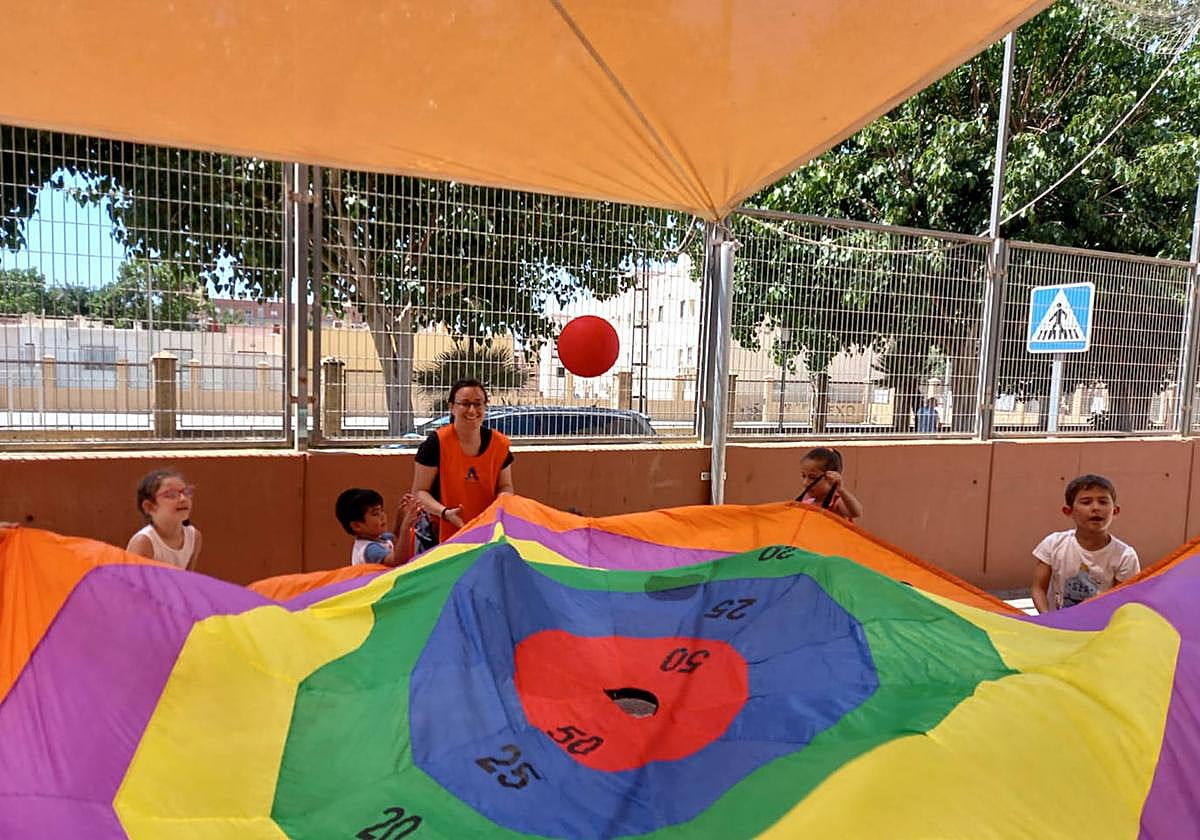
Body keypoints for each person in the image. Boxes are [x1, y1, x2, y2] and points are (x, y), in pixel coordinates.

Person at [412, 378, 515, 547]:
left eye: (478, 403)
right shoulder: (436, 443)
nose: (472, 410)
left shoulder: (499, 444)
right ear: (452, 407)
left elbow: (505, 485)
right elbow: (419, 492)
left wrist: (502, 504)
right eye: (465, 404)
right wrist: (444, 513)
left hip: (486, 532)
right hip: (440, 533)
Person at [1031, 474, 1139, 613]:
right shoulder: (1053, 544)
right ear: (1068, 511)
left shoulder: (1125, 556)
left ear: (1115, 511)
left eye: (1103, 502)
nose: (1096, 508)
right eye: (1086, 502)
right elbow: (1038, 588)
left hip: (1100, 629)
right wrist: (1047, 619)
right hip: (1057, 627)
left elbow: (1122, 601)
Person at [126, 469, 203, 570]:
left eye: (186, 492)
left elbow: (187, 579)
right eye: (171, 494)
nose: (183, 499)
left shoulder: (194, 537)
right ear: (149, 507)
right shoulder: (144, 543)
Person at [335, 488, 421, 566]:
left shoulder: (382, 537)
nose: (383, 516)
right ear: (356, 526)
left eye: (382, 510)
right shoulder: (370, 550)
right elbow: (398, 561)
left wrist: (401, 514)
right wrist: (406, 527)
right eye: (375, 514)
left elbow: (396, 539)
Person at [793, 447, 864, 521]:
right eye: (803, 476)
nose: (805, 482)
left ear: (831, 478)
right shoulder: (805, 499)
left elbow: (856, 513)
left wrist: (841, 490)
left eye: (813, 477)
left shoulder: (836, 502)